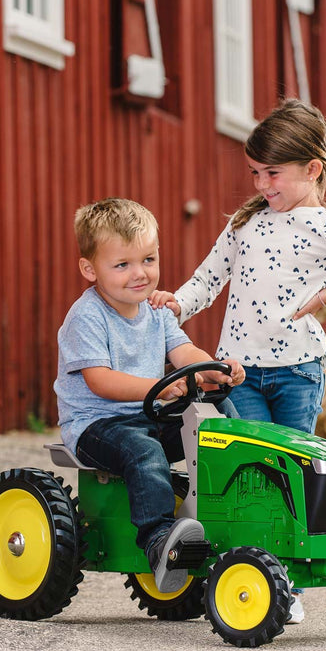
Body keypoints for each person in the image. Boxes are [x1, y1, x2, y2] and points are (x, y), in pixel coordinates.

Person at [149, 99, 326, 621]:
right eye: (256, 173)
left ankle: (288, 585)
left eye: (274, 173)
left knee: (296, 474)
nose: (263, 184)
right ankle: (253, 571)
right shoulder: (246, 223)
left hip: (298, 372)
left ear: (312, 169)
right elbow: (208, 279)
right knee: (253, 472)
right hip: (237, 371)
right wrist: (178, 299)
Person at [54, 198, 245, 594]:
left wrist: (214, 368)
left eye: (148, 260)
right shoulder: (87, 316)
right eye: (122, 265)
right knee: (142, 450)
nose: (140, 274)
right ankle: (159, 542)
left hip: (148, 414)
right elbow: (100, 381)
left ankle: (231, 504)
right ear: (90, 269)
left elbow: (184, 353)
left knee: (219, 411)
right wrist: (158, 388)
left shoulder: (156, 311)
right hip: (97, 425)